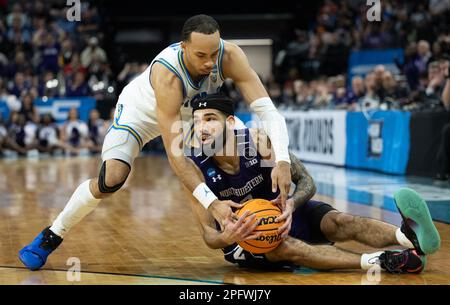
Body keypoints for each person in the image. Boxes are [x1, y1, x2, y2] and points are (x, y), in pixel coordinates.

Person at [19, 15, 292, 270]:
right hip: (141, 115)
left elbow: (268, 112)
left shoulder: (230, 55)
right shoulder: (168, 76)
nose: (210, 63)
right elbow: (176, 157)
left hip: (190, 116)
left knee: (247, 145)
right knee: (111, 179)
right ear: (184, 47)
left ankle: (272, 225)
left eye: (213, 53)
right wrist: (211, 203)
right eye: (200, 56)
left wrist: (282, 160)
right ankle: (53, 234)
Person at [185, 93, 441, 273]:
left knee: (341, 221)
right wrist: (226, 236)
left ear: (230, 122)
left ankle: (408, 237)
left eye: (210, 119)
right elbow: (208, 235)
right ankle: (383, 261)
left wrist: (292, 204)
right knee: (281, 247)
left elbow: (306, 181)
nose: (202, 128)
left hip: (286, 213)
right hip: (247, 239)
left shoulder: (258, 142)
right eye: (197, 121)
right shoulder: (194, 168)